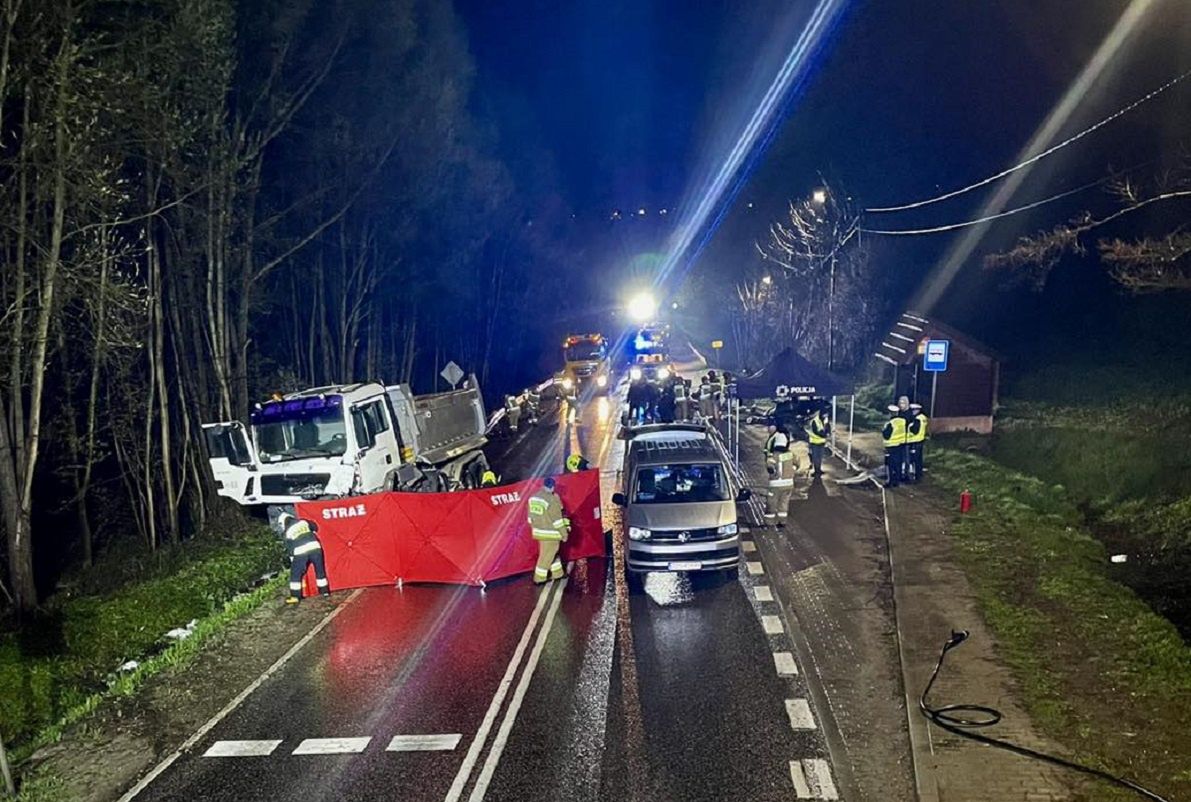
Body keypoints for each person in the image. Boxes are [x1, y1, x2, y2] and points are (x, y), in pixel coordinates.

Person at [278, 510, 330, 604]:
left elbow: (290, 548)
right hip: (316, 548)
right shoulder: (303, 522)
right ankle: (325, 592)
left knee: (295, 575)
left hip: (300, 552)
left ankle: (295, 596)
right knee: (320, 571)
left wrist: (293, 560)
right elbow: (315, 526)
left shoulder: (287, 532)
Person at [527, 476, 570, 584]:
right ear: (552, 487)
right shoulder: (552, 499)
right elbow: (558, 521)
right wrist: (564, 534)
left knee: (551, 553)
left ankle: (558, 573)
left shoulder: (533, 498)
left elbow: (530, 519)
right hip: (551, 534)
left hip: (539, 532)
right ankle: (539, 579)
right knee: (546, 556)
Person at [763, 424, 794, 526]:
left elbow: (770, 467)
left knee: (771, 503)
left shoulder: (773, 456)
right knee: (784, 503)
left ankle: (769, 523)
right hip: (789, 483)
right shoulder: (790, 454)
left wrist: (773, 471)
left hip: (775, 484)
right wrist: (791, 470)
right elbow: (798, 464)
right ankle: (782, 522)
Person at [881, 404, 908, 488]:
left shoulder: (890, 423)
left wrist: (883, 430)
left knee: (890, 465)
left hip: (891, 446)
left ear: (890, 413)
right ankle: (897, 481)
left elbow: (886, 435)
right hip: (900, 445)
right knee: (898, 463)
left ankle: (890, 482)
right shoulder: (903, 421)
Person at [906, 402, 929, 483]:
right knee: (919, 459)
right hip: (920, 440)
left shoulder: (917, 419)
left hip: (914, 442)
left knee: (914, 460)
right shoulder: (923, 417)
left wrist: (910, 428)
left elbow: (915, 431)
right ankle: (919, 474)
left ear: (917, 410)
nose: (912, 412)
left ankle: (915, 477)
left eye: (913, 410)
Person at [806, 405, 830, 476]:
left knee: (820, 457)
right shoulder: (814, 421)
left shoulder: (825, 420)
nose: (825, 416)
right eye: (824, 414)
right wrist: (824, 434)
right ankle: (816, 471)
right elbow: (816, 431)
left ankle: (818, 470)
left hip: (822, 442)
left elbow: (828, 429)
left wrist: (827, 430)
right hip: (815, 442)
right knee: (816, 458)